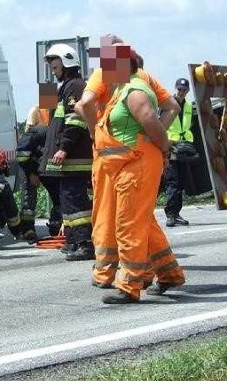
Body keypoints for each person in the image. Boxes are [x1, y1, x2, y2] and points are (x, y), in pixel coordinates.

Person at [76, 39, 181, 288]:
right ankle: (168, 273)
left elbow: (86, 105)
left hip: (130, 163)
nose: (103, 68)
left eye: (108, 62)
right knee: (138, 219)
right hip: (124, 162)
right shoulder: (125, 87)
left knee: (124, 222)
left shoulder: (133, 89)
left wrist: (161, 144)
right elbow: (171, 107)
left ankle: (128, 281)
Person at [40, 44, 95, 260]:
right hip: (69, 158)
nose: (54, 72)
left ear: (66, 63)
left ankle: (85, 243)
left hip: (74, 157)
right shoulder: (67, 86)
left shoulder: (75, 86)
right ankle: (73, 240)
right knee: (68, 201)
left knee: (76, 201)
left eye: (56, 68)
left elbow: (75, 120)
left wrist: (64, 148)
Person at [17, 124, 59, 240]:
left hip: (47, 168)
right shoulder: (37, 133)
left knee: (58, 195)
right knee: (29, 197)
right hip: (28, 165)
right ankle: (27, 229)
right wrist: (31, 173)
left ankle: (56, 225)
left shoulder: (63, 137)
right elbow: (21, 155)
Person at [164, 77, 194, 227]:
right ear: (176, 89)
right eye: (179, 89)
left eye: (184, 90)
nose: (181, 92)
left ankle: (176, 213)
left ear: (188, 91)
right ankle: (170, 214)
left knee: (181, 182)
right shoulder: (167, 104)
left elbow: (189, 125)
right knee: (172, 182)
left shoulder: (188, 106)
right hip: (171, 147)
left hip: (184, 147)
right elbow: (160, 122)